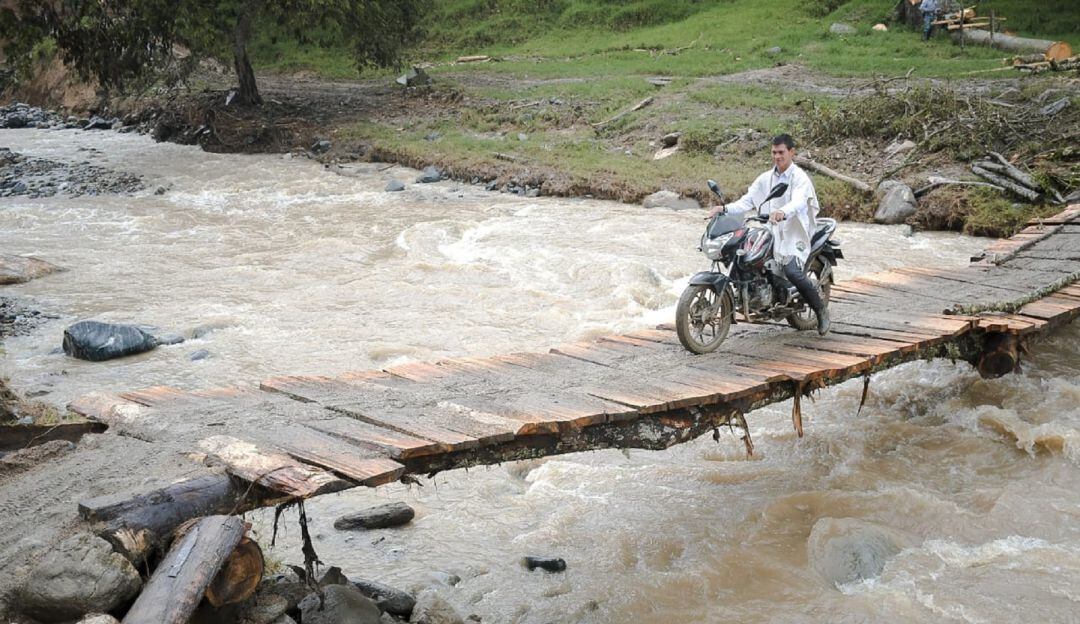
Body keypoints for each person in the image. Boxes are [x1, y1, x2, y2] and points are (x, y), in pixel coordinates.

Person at [708, 134, 830, 335]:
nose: (777, 156)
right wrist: (723, 209)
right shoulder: (766, 178)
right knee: (747, 257)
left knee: (792, 271)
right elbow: (747, 201)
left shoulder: (800, 178)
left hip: (794, 232)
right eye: (774, 152)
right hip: (771, 229)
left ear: (791, 152)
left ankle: (821, 311)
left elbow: (799, 201)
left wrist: (784, 212)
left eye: (781, 152)